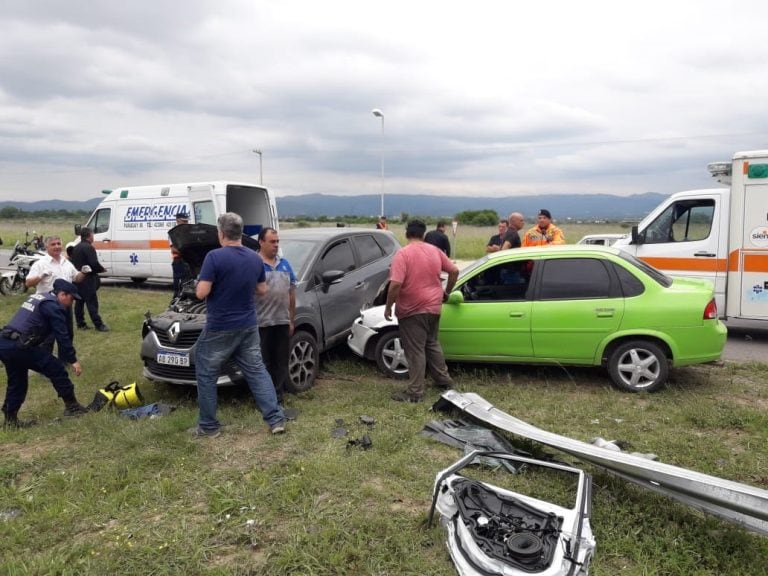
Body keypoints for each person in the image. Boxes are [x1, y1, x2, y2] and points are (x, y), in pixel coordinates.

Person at [192, 212, 285, 438]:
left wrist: (202, 283)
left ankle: (208, 426)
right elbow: (262, 290)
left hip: (220, 326)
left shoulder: (214, 257)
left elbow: (201, 292)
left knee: (205, 371)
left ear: (221, 233)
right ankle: (275, 419)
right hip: (248, 325)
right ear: (241, 233)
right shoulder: (255, 258)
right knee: (256, 370)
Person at [385, 219, 459, 402]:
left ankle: (415, 391)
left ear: (406, 233)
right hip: (434, 307)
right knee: (432, 343)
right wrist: (446, 292)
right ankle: (443, 380)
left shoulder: (403, 254)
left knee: (415, 350)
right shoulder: (435, 251)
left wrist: (388, 306)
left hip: (412, 309)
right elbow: (454, 271)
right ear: (424, 234)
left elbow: (395, 285)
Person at [0, 279, 89, 428]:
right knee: (56, 368)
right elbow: (62, 335)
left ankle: (10, 420)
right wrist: (73, 360)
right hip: (19, 346)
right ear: (62, 294)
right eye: (71, 298)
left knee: (17, 381)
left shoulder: (39, 297)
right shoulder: (53, 307)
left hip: (5, 343)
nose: (71, 303)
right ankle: (72, 407)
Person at [256, 227, 297, 410]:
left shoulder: (285, 264)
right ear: (261, 242)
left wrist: (291, 319)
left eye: (277, 241)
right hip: (261, 323)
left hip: (281, 321)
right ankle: (264, 399)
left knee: (280, 361)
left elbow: (291, 294)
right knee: (262, 363)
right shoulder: (254, 265)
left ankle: (278, 397)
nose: (276, 245)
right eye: (272, 242)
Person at [70, 227, 109, 332]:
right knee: (92, 303)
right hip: (88, 279)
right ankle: (99, 325)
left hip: (78, 278)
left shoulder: (76, 247)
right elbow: (93, 263)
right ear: (89, 235)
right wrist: (101, 269)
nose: (93, 237)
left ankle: (80, 324)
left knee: (79, 303)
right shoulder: (89, 247)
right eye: (92, 234)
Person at [170, 210, 192, 298]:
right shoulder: (173, 233)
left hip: (189, 261)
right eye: (184, 221)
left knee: (188, 282)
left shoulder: (189, 232)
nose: (186, 223)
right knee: (178, 284)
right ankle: (176, 299)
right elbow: (173, 249)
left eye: (187, 221)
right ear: (178, 221)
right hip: (178, 261)